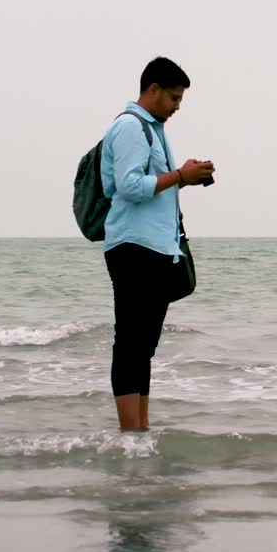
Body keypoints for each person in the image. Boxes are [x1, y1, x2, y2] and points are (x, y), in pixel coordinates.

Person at [100, 57, 214, 431]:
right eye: (174, 98)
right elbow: (129, 187)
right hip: (134, 247)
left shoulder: (154, 130)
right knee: (131, 344)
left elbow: (151, 184)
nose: (177, 106)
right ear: (153, 90)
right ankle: (130, 432)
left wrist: (185, 177)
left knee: (144, 347)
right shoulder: (131, 127)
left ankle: (140, 431)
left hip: (156, 247)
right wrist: (180, 175)